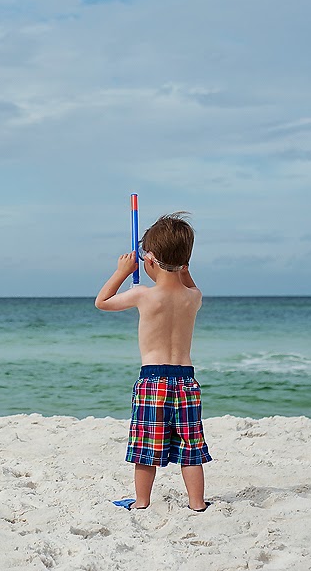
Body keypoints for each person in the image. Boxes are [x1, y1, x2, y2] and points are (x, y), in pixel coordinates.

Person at [95, 211, 212, 512]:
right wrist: (179, 266)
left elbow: (102, 302)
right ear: (186, 262)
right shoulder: (194, 297)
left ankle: (142, 501)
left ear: (149, 260)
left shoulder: (143, 295)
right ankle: (197, 502)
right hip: (186, 381)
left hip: (153, 381)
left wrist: (122, 271)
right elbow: (187, 281)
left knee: (146, 446)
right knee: (190, 447)